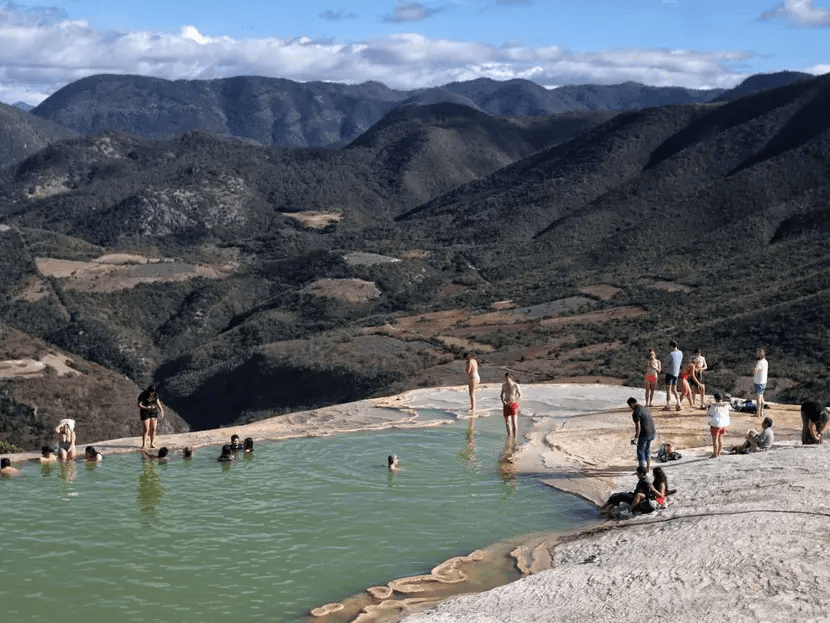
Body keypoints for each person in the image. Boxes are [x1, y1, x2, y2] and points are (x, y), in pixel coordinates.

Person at [627, 397, 656, 471]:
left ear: (632, 404)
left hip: (645, 433)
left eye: (630, 406)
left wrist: (636, 437)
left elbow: (637, 426)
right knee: (647, 449)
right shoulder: (644, 408)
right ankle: (648, 467)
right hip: (652, 432)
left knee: (640, 450)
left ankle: (642, 469)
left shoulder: (636, 412)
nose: (630, 408)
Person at [137, 385, 164, 449]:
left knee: (154, 428)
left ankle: (152, 443)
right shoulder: (143, 395)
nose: (152, 393)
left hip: (153, 412)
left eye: (153, 392)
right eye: (151, 392)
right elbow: (139, 405)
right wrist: (146, 407)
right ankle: (144, 444)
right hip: (145, 412)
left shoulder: (155, 394)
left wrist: (161, 410)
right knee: (146, 429)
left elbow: (157, 401)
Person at [707, 391, 731, 458]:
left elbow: (710, 416)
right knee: (720, 438)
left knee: (715, 440)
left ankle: (715, 454)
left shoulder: (713, 406)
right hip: (724, 424)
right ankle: (719, 453)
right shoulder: (726, 405)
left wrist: (709, 423)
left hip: (716, 425)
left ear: (715, 398)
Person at [500, 372, 522, 439]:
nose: (507, 380)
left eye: (508, 378)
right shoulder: (504, 385)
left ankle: (515, 438)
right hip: (506, 404)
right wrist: (503, 401)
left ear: (511, 378)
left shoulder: (515, 385)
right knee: (507, 422)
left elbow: (520, 395)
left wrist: (515, 400)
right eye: (506, 378)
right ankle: (509, 436)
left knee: (514, 422)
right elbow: (501, 395)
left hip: (513, 404)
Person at [664, 341, 683, 411]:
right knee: (674, 389)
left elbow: (666, 362)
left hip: (669, 372)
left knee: (668, 390)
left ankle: (668, 405)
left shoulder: (671, 354)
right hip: (676, 373)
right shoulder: (680, 353)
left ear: (672, 346)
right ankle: (678, 403)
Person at [753, 349, 768, 418]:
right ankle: (761, 411)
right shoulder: (766, 362)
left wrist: (753, 370)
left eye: (758, 353)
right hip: (763, 381)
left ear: (760, 355)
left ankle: (758, 412)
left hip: (759, 381)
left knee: (758, 397)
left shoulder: (760, 362)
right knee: (761, 397)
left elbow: (756, 371)